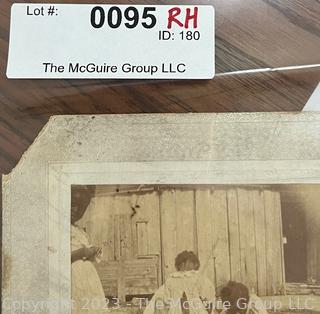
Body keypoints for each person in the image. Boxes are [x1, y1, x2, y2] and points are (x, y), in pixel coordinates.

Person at [71, 186, 107, 313]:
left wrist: (93, 251)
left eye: (80, 209)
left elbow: (87, 252)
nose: (75, 210)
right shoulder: (61, 228)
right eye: (72, 205)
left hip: (87, 276)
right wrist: (81, 253)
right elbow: (57, 257)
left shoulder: (80, 231)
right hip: (72, 275)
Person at [144, 251, 216, 314]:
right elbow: (160, 296)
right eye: (184, 263)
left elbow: (209, 294)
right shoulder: (172, 279)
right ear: (180, 265)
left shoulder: (199, 278)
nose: (186, 265)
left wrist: (208, 306)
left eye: (191, 262)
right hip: (177, 309)